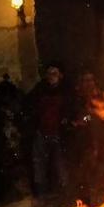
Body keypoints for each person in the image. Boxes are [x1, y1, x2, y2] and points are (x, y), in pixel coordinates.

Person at [25, 64, 70, 199]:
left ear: (60, 75)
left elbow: (71, 108)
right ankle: (41, 192)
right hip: (41, 132)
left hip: (59, 133)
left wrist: (66, 120)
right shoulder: (40, 90)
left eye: (54, 73)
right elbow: (29, 104)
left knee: (60, 163)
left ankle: (64, 192)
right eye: (49, 74)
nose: (51, 77)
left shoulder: (66, 91)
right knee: (39, 163)